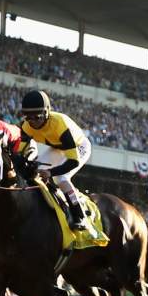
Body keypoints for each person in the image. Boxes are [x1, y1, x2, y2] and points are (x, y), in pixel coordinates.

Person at [16, 90, 92, 230]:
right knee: (36, 172)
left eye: (37, 117)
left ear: (46, 113)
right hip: (57, 147)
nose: (32, 122)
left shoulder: (59, 125)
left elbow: (73, 161)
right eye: (28, 117)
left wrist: (51, 172)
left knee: (61, 178)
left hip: (79, 146)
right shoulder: (26, 126)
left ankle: (79, 214)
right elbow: (19, 154)